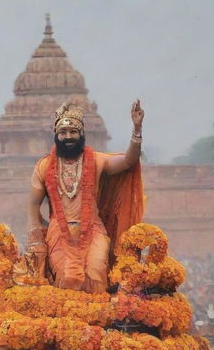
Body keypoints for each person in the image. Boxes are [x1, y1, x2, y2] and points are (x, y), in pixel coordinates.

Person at [22, 100, 145, 292]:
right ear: (56, 136)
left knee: (96, 272)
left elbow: (129, 161)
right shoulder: (44, 166)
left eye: (73, 132)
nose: (68, 136)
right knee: (66, 278)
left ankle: (98, 319)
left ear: (81, 135)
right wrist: (36, 240)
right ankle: (69, 322)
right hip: (58, 233)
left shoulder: (96, 160)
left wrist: (137, 130)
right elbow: (32, 206)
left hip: (93, 229)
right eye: (63, 133)